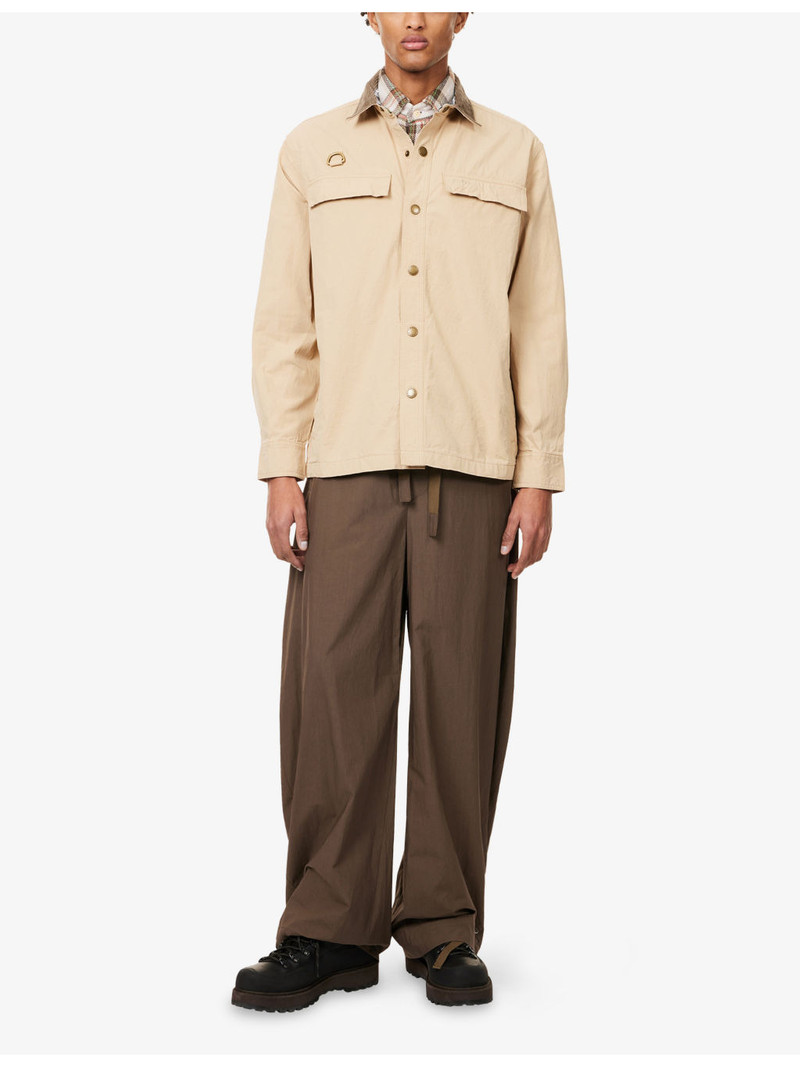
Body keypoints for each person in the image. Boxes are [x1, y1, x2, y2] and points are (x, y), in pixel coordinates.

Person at [231, 10, 568, 1013]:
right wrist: (282, 466)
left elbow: (538, 320)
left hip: (473, 462)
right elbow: (285, 321)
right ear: (367, 12)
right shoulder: (309, 150)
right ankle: (328, 927)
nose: (415, 15)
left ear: (463, 13)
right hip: (343, 465)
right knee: (332, 699)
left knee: (462, 700)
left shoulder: (514, 152)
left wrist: (537, 472)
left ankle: (443, 925)